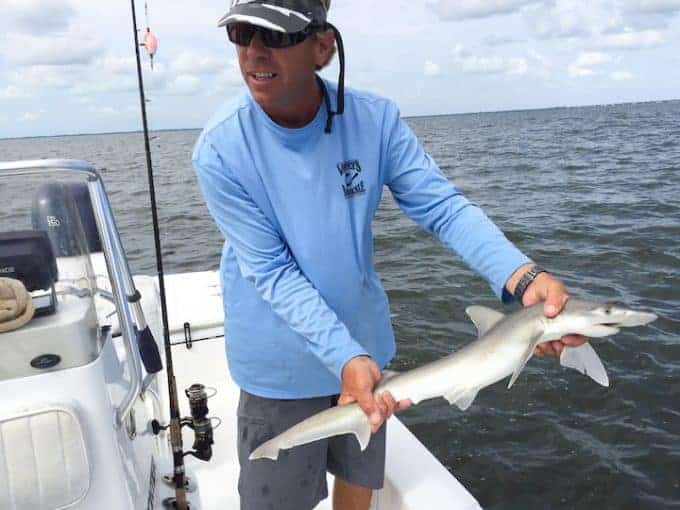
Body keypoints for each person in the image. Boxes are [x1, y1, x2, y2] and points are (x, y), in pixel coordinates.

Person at [192, 1, 587, 509]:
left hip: (365, 345)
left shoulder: (375, 121)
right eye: (242, 34)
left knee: (360, 479)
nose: (253, 52)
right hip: (279, 365)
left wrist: (522, 276)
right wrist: (346, 357)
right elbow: (271, 271)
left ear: (323, 46)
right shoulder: (221, 149)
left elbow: (442, 206)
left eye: (275, 35)